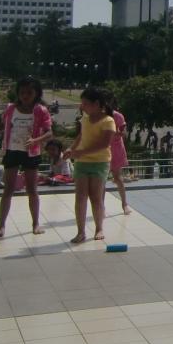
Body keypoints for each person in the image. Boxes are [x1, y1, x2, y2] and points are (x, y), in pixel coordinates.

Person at [0, 77, 54, 238]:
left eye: (29, 93)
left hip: (31, 152)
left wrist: (36, 140)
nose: (25, 96)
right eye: (22, 93)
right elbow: (3, 124)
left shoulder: (40, 110)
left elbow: (49, 132)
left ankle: (35, 223)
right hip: (12, 150)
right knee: (8, 189)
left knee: (32, 189)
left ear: (36, 93)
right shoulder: (11, 108)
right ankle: (1, 225)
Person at [68, 87, 115, 244]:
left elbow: (104, 144)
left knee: (96, 196)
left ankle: (98, 228)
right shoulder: (85, 119)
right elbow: (81, 136)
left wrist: (81, 152)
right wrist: (71, 149)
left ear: (96, 104)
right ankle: (80, 232)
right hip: (82, 162)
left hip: (99, 162)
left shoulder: (108, 121)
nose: (82, 106)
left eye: (85, 103)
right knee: (80, 197)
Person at [103, 91, 132, 216]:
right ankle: (101, 207)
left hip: (116, 148)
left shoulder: (118, 116)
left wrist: (113, 133)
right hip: (103, 149)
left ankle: (124, 204)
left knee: (117, 177)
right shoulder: (99, 115)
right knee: (102, 179)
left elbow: (123, 133)